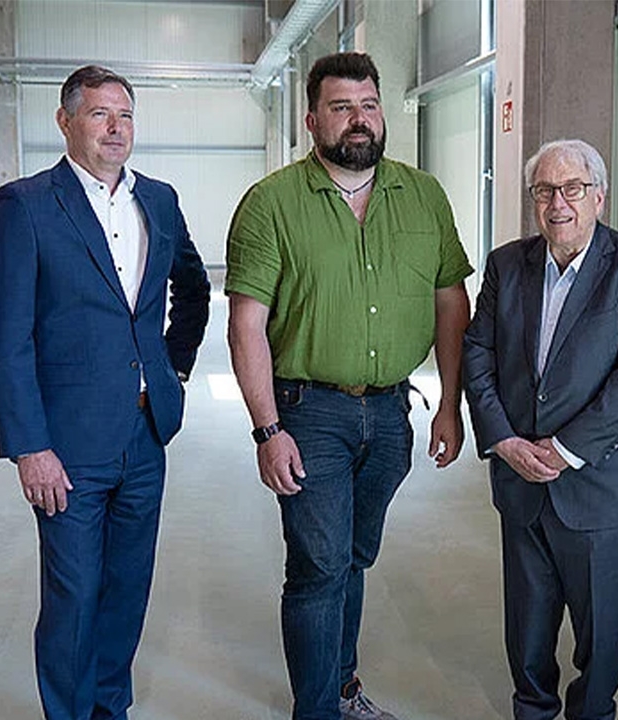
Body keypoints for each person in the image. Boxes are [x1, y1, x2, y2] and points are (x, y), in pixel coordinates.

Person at [225, 52, 473, 720]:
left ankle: (340, 687)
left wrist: (449, 403)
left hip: (392, 413)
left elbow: (452, 300)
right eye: (341, 108)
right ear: (312, 120)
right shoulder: (272, 204)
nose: (358, 120)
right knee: (319, 566)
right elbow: (246, 323)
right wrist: (267, 428)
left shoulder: (423, 194)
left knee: (354, 558)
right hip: (309, 413)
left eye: (368, 105)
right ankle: (319, 709)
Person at [0, 65, 210, 720]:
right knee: (74, 596)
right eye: (101, 114)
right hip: (69, 445)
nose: (116, 128)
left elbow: (192, 289)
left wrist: (174, 372)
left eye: (126, 115)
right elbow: (5, 338)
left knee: (127, 588)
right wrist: (30, 447)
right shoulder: (25, 206)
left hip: (144, 434)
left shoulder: (157, 200)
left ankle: (112, 709)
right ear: (66, 121)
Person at [462, 139, 618, 720]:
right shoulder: (507, 264)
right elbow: (478, 352)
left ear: (598, 196)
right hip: (521, 480)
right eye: (545, 191)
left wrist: (565, 447)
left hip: (603, 489)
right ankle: (532, 709)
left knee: (601, 635)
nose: (559, 203)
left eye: (572, 189)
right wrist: (502, 438)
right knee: (526, 626)